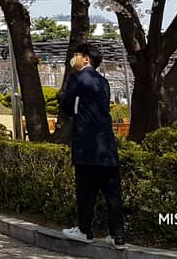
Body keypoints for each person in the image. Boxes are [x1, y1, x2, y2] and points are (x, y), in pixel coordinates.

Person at [60, 43, 125, 247]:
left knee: (85, 191)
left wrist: (73, 109)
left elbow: (67, 106)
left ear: (86, 59)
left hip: (87, 145)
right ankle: (118, 236)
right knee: (113, 195)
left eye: (77, 55)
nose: (74, 58)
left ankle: (84, 230)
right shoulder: (104, 82)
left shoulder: (77, 78)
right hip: (107, 146)